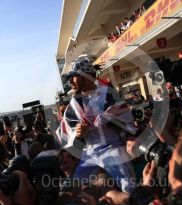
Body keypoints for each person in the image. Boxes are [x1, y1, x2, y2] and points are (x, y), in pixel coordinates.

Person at [56, 54, 136, 194]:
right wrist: (78, 132)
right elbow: (67, 131)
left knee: (129, 187)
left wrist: (109, 120)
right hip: (90, 152)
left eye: (74, 77)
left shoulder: (108, 93)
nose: (71, 82)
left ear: (85, 75)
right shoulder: (74, 104)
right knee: (75, 187)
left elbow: (125, 118)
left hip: (113, 146)